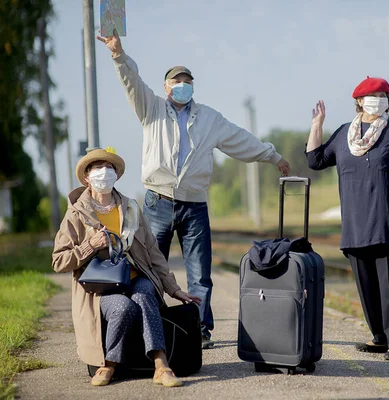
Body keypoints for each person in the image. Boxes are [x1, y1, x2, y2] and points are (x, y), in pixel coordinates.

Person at [96, 30, 291, 349]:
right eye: (176, 81)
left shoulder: (209, 118)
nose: (182, 85)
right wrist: (119, 55)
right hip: (157, 202)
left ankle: (200, 328)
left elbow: (240, 140)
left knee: (199, 273)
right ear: (166, 87)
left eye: (187, 81)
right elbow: (132, 82)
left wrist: (274, 157)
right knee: (148, 267)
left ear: (192, 87)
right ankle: (153, 322)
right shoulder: (152, 109)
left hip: (194, 205)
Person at [52, 147, 202, 387]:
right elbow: (59, 260)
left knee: (144, 296)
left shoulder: (131, 208)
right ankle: (109, 364)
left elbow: (153, 253)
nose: (105, 172)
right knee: (122, 308)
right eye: (98, 167)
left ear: (117, 175)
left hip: (136, 276)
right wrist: (89, 246)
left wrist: (173, 289)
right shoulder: (76, 214)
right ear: (86, 177)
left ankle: (161, 365)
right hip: (101, 287)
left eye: (109, 167)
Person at [306, 77, 389, 361]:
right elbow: (315, 160)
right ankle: (379, 338)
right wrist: (317, 126)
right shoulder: (344, 134)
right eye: (373, 95)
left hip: (388, 223)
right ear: (359, 101)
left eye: (383, 94)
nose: (379, 98)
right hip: (355, 225)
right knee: (367, 287)